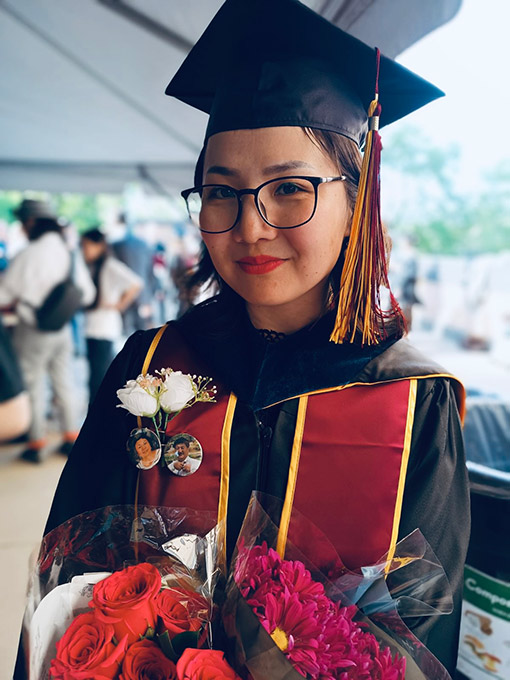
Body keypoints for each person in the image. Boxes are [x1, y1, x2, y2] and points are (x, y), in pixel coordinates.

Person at [26, 1, 469, 677]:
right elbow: (67, 593)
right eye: (220, 191)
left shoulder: (414, 402)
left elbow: (421, 637)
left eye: (290, 189)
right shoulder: (146, 366)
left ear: (358, 201)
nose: (251, 226)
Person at [0, 200, 95, 463]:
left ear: (31, 222)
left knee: (32, 383)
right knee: (64, 381)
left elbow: (4, 293)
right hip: (62, 327)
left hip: (32, 328)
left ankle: (36, 441)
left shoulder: (28, 254)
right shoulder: (69, 252)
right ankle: (70, 436)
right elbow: (87, 294)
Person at [80, 228, 143, 403]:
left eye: (87, 245)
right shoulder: (93, 266)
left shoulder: (110, 265)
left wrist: (118, 305)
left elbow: (136, 283)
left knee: (99, 377)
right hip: (92, 327)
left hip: (104, 327)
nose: (84, 250)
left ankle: (98, 412)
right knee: (94, 374)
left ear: (100, 246)